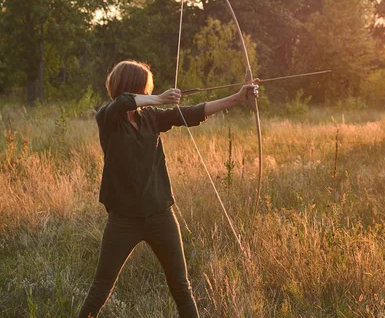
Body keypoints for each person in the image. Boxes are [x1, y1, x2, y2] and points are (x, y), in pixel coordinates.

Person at [78, 60, 259, 318]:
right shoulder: (108, 117)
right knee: (99, 291)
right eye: (146, 87)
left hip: (161, 216)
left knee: (181, 288)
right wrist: (159, 99)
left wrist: (238, 97)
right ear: (135, 87)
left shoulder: (151, 118)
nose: (151, 92)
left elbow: (193, 112)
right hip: (123, 221)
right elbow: (123, 103)